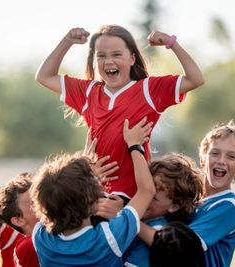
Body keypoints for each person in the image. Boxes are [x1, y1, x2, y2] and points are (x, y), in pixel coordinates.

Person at [35, 25, 204, 200]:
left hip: (134, 195)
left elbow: (195, 78)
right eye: (101, 56)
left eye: (116, 54)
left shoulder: (149, 89)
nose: (108, 61)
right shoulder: (88, 92)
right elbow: (44, 76)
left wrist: (171, 43)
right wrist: (67, 41)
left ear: (132, 58)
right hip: (95, 192)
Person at [31, 117, 156, 266]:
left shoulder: (41, 238)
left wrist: (85, 174)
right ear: (92, 201)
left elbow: (57, 195)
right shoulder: (109, 238)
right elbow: (146, 190)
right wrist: (135, 145)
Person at [123, 152, 204, 267]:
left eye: (153, 197)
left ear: (173, 207)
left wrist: (125, 218)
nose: (144, 199)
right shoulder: (145, 219)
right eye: (143, 190)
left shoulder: (159, 230)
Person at [188, 120, 235, 267]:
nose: (221, 161)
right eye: (215, 153)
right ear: (202, 158)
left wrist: (134, 222)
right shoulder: (190, 198)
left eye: (231, 156)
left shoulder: (228, 206)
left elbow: (181, 247)